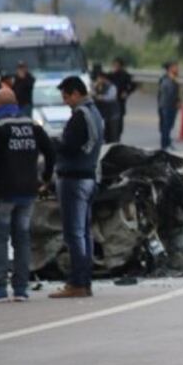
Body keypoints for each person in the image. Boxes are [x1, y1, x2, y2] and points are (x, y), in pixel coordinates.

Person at [0, 87, 55, 302]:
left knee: (0, 239)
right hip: (28, 192)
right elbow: (50, 151)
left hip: (3, 193)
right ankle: (21, 289)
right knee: (22, 239)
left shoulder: (0, 127)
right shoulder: (32, 125)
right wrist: (46, 179)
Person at [50, 76, 105, 299]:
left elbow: (70, 147)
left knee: (74, 234)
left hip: (74, 179)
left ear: (75, 93)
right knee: (84, 233)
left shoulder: (80, 116)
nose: (65, 101)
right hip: (90, 177)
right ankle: (85, 281)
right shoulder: (95, 113)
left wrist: (51, 143)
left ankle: (78, 283)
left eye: (66, 96)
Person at [107, 57, 137, 140]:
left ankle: (118, 136)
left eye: (117, 65)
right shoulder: (110, 75)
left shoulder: (125, 75)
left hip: (120, 101)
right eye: (114, 65)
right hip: (110, 101)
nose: (115, 67)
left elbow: (133, 85)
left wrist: (126, 92)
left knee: (119, 119)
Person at [91, 64, 121, 143]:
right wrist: (95, 87)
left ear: (104, 78)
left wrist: (100, 97)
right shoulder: (96, 86)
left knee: (112, 135)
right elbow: (91, 94)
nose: (98, 80)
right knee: (103, 134)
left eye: (100, 78)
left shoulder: (111, 87)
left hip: (112, 114)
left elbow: (111, 97)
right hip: (102, 114)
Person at [157, 61, 180, 151]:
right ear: (170, 68)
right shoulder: (166, 79)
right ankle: (164, 144)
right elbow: (169, 93)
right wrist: (176, 101)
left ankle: (167, 142)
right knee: (166, 125)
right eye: (175, 67)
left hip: (171, 105)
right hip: (166, 104)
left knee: (170, 124)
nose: (177, 69)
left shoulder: (173, 78)